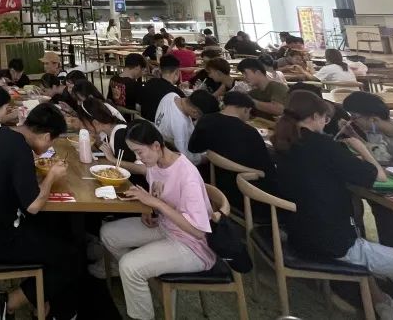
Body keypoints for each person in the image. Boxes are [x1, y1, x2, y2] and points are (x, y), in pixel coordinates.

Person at [273, 90, 393, 320]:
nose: (326, 123)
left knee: (369, 231)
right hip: (335, 246)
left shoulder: (284, 143)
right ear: (314, 117)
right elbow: (377, 176)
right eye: (325, 118)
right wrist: (362, 148)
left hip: (301, 236)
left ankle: (382, 300)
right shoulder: (324, 146)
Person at [0, 104, 84, 320]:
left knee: (56, 228)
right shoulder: (20, 150)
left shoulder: (1, 133)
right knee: (71, 257)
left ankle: (42, 301)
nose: (49, 147)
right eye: (51, 142)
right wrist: (51, 176)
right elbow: (33, 205)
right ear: (46, 136)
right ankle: (11, 301)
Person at [97, 120, 216, 320]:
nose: (138, 158)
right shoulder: (155, 162)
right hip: (165, 226)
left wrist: (156, 204)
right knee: (108, 234)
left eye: (139, 152)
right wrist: (149, 209)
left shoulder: (187, 174)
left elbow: (198, 231)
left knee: (129, 266)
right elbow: (158, 196)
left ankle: (137, 283)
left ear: (156, 146)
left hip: (192, 245)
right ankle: (141, 281)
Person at [187, 91, 275, 208]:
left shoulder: (205, 120)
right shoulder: (250, 133)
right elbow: (267, 169)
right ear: (246, 110)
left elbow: (193, 148)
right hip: (246, 193)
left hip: (216, 184)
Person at [153, 88, 219, 166]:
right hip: (171, 155)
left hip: (161, 139)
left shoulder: (171, 95)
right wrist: (207, 158)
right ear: (195, 112)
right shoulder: (180, 126)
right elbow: (187, 158)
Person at [139, 55, 183, 122]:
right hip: (163, 127)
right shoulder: (176, 93)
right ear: (177, 72)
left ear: (160, 70)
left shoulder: (149, 83)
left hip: (145, 124)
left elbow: (138, 105)